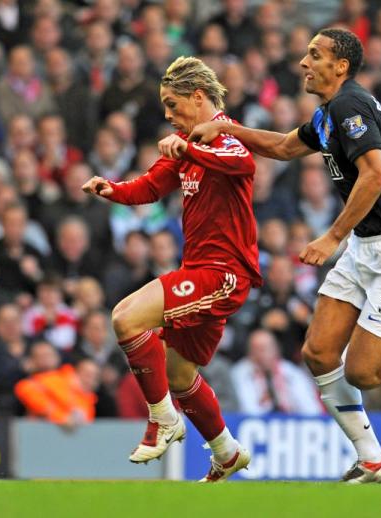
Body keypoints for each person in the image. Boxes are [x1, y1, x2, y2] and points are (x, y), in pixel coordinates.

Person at [188, 28, 381, 484]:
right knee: (317, 353)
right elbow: (285, 147)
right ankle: (372, 459)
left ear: (341, 66)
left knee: (366, 372)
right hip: (362, 248)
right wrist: (226, 128)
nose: (304, 62)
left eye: (315, 54)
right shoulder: (329, 112)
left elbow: (374, 176)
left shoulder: (350, 106)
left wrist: (331, 237)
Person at [82, 56, 260, 482]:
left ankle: (163, 419)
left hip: (223, 273)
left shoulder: (226, 136)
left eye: (172, 104)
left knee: (125, 318)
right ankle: (227, 451)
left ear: (198, 98)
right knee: (180, 375)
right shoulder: (185, 142)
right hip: (199, 270)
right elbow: (149, 186)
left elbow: (245, 164)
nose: (167, 115)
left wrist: (190, 148)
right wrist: (111, 189)